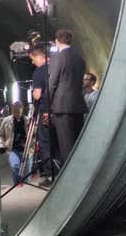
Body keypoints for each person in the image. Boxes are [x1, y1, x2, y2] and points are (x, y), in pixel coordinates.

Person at [46, 29, 87, 169]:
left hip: (61, 107)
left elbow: (52, 84)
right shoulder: (80, 58)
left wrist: (47, 106)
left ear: (57, 41)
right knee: (77, 144)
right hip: (78, 105)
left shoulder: (58, 58)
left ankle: (70, 177)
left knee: (66, 146)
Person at [28, 45, 53, 182]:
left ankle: (49, 173)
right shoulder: (57, 66)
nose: (33, 62)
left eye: (33, 59)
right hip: (60, 110)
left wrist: (34, 92)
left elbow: (37, 95)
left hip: (45, 110)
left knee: (44, 142)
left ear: (40, 57)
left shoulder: (39, 72)